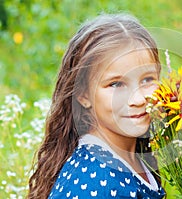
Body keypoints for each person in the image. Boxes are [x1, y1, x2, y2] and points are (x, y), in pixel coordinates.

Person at [27, 13, 165, 199]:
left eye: (147, 79)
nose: (138, 99)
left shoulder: (132, 157)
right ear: (83, 95)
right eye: (116, 84)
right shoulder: (97, 183)